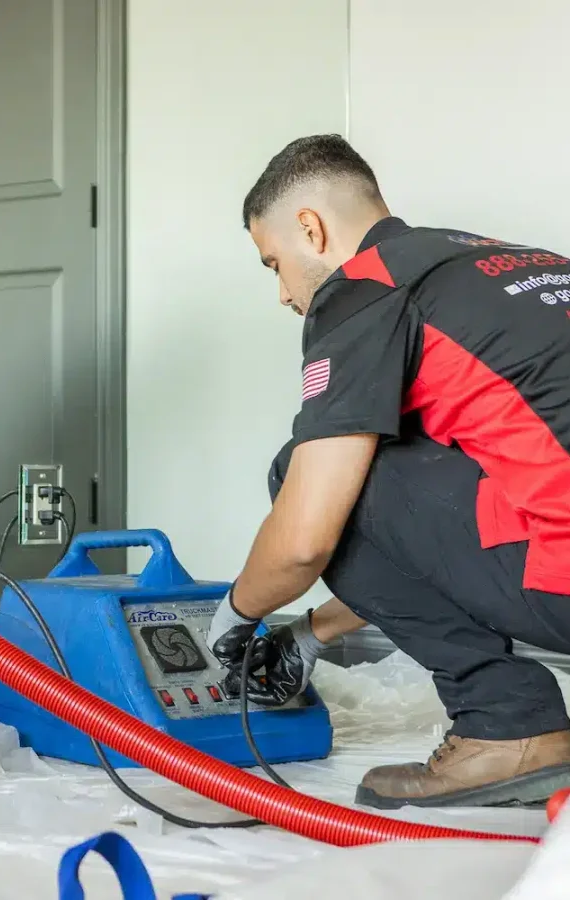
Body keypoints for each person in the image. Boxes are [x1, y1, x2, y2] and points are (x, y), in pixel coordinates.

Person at [206, 134, 570, 811]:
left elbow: (307, 538)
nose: (282, 294)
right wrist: (313, 631)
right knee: (402, 461)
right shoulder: (508, 262)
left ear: (310, 228)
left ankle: (507, 726)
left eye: (274, 264)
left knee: (303, 471)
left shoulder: (365, 290)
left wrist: (235, 617)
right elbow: (432, 536)